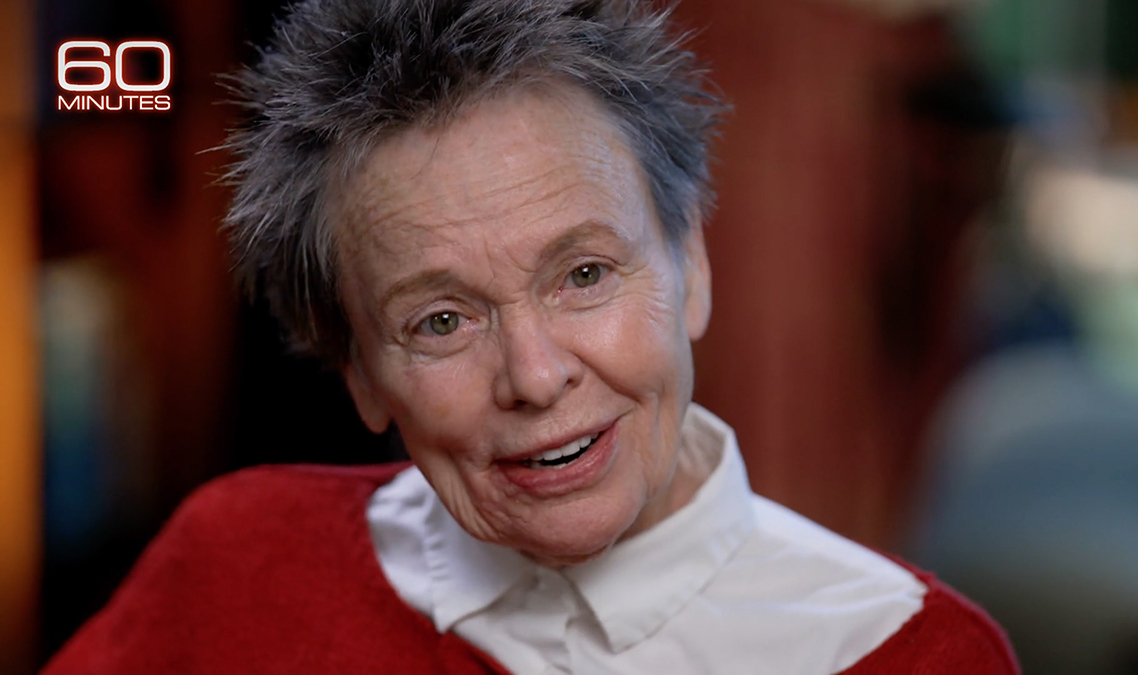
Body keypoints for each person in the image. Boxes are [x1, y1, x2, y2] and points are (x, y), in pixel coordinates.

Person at [43, 0, 1019, 673]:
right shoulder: (238, 569)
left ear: (692, 266)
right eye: (441, 321)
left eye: (584, 275)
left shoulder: (905, 653)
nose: (536, 376)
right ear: (359, 372)